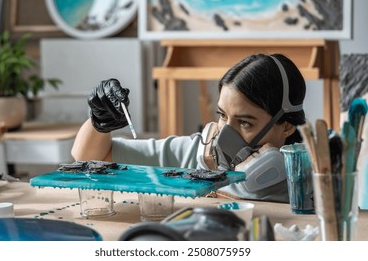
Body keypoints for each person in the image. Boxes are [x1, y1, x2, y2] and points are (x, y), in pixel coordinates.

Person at [71, 53, 306, 202]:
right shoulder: (197, 156)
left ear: (285, 126)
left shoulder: (318, 174)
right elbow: (92, 157)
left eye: (245, 122)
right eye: (222, 116)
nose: (225, 134)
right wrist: (100, 121)